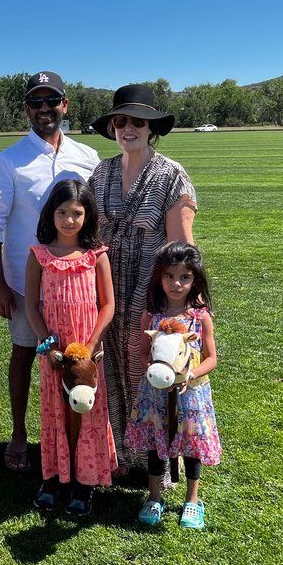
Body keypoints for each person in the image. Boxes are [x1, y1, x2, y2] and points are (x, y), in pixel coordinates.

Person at [0, 71, 100, 472]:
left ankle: (80, 437)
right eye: (37, 102)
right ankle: (19, 435)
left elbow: (96, 219)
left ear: (65, 106)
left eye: (52, 101)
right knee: (25, 355)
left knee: (79, 357)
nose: (45, 109)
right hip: (23, 281)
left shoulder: (86, 157)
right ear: (27, 109)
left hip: (76, 284)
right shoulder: (10, 160)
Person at [87, 84, 196, 479]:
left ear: (152, 128)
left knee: (150, 372)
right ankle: (120, 456)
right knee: (110, 371)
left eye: (138, 121)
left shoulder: (171, 176)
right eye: (121, 121)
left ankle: (159, 463)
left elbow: (182, 248)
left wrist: (180, 308)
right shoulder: (100, 174)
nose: (128, 128)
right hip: (106, 290)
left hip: (149, 292)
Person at [24, 180, 116, 516]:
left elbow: (108, 306)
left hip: (88, 353)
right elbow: (32, 306)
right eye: (62, 212)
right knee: (55, 412)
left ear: (88, 215)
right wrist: (47, 346)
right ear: (51, 213)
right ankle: (54, 478)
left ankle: (85, 482)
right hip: (55, 352)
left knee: (87, 412)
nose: (68, 220)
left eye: (76, 213)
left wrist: (90, 346)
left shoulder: (96, 256)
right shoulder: (40, 255)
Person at [127, 242, 220, 530]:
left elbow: (212, 358)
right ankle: (154, 497)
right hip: (155, 395)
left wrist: (191, 375)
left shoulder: (199, 317)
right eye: (169, 276)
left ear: (195, 279)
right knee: (156, 445)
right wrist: (152, 371)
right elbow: (143, 352)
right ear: (159, 277)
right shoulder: (152, 315)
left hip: (191, 395)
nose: (176, 284)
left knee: (191, 446)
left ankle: (192, 501)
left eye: (185, 277)